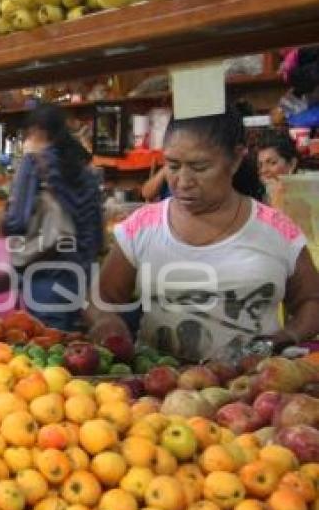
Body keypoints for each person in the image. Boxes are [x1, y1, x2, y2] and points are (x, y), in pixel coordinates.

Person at [87, 107, 319, 363]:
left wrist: (289, 335)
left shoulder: (276, 230)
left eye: (199, 167)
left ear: (236, 159)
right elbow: (103, 298)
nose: (183, 181)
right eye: (172, 166)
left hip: (257, 391)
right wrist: (105, 320)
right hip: (160, 393)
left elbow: (311, 301)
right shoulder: (142, 227)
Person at [2, 103, 103, 331]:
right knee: (75, 347)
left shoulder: (35, 164)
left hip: (46, 275)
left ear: (38, 131)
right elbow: (97, 235)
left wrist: (0, 222)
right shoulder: (83, 167)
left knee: (48, 348)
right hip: (82, 277)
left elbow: (18, 221)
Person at [257, 129, 300, 208]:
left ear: (292, 164)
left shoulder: (302, 200)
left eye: (272, 163)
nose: (263, 170)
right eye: (260, 165)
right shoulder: (262, 198)